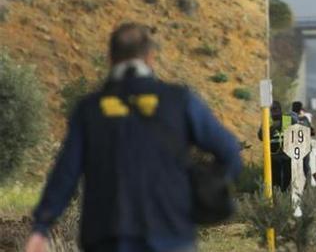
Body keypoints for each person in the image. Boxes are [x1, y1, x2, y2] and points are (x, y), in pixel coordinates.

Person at [25, 23, 242, 252]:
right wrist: (204, 192)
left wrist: (42, 226)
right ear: (150, 58)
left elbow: (65, 173)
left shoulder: (89, 110)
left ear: (110, 58)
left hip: (107, 237)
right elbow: (229, 152)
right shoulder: (180, 101)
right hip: (171, 234)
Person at [257, 101, 292, 192]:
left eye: (275, 109)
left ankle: (285, 195)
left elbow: (292, 135)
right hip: (272, 156)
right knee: (274, 179)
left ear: (280, 110)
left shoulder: (286, 119)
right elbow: (261, 136)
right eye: (272, 110)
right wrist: (269, 127)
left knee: (287, 178)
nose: (274, 112)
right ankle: (276, 196)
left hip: (286, 155)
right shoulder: (267, 121)